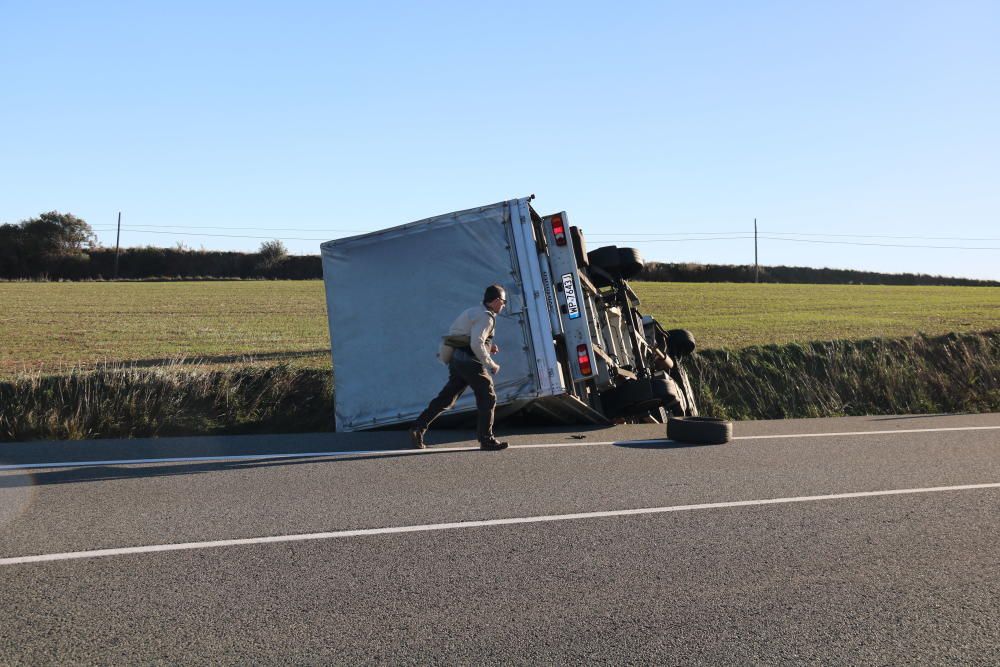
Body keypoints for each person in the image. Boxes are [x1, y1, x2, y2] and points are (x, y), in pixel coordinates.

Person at [409, 284, 509, 451]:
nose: (504, 305)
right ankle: (487, 439)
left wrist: (489, 346)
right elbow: (476, 342)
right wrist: (491, 363)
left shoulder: (472, 311)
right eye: (504, 302)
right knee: (488, 396)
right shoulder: (487, 317)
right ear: (497, 301)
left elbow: (461, 335)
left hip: (457, 360)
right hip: (470, 362)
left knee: (446, 398)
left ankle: (417, 428)